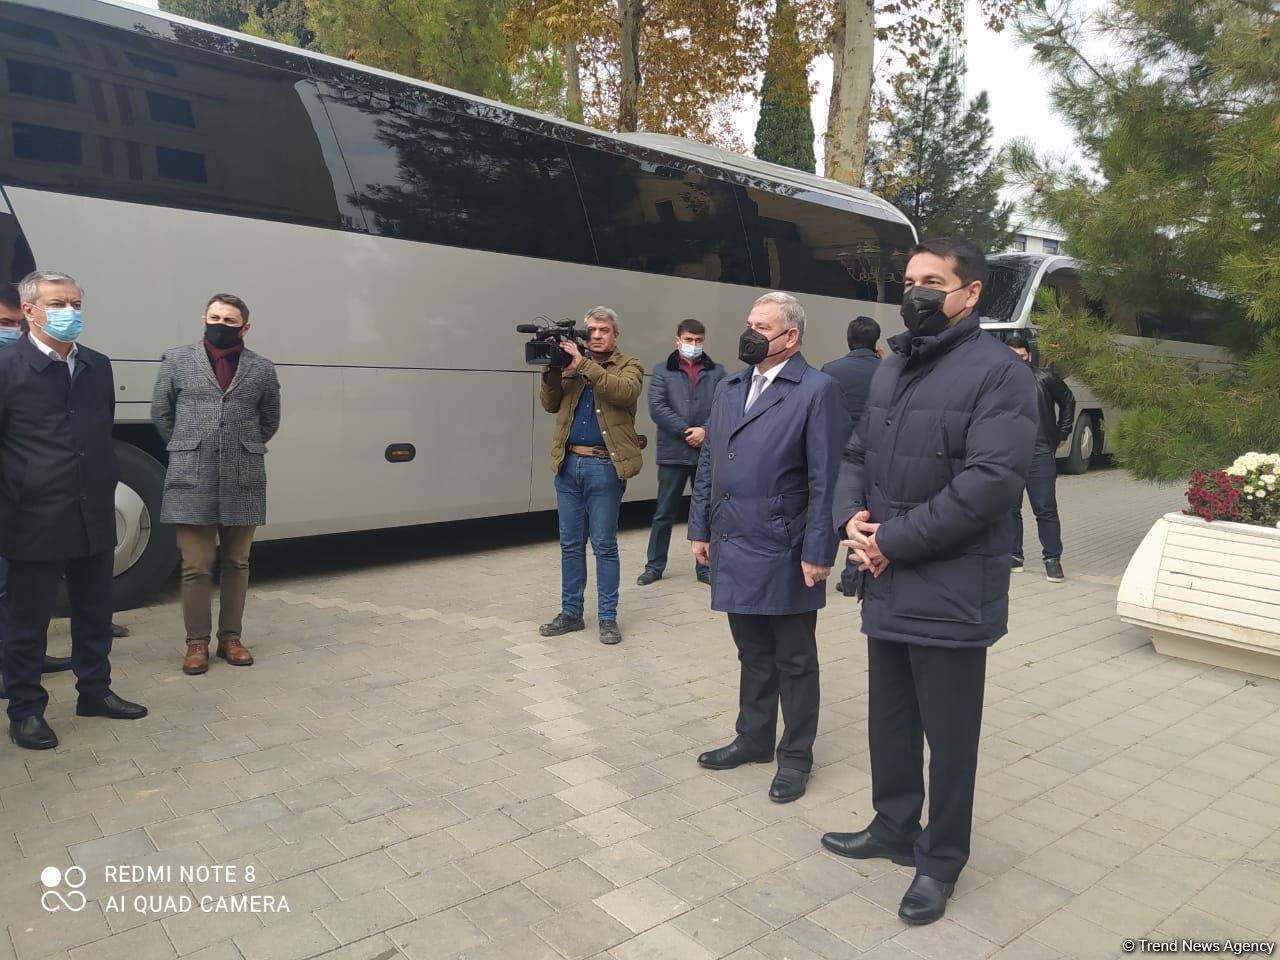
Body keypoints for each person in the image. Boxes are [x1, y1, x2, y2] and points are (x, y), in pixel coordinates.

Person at [826, 238, 1037, 926]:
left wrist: (890, 540)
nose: (915, 292)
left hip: (950, 589)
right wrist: (850, 520)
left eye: (933, 282)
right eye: (909, 280)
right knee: (889, 720)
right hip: (884, 577)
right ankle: (893, 826)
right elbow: (856, 451)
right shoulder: (894, 364)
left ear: (970, 294)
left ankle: (940, 860)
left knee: (949, 740)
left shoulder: (1001, 375)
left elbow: (989, 484)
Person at [689, 292, 846, 804]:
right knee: (752, 650)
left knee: (794, 659)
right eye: (749, 324)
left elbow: (827, 478)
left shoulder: (817, 390)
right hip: (732, 538)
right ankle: (753, 738)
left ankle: (795, 756)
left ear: (790, 336)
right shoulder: (730, 387)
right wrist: (699, 527)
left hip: (785, 546)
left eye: (762, 326)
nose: (750, 333)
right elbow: (710, 461)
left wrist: (819, 549)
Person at [0, 271, 148, 750]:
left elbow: (101, 428)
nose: (70, 313)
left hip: (93, 510)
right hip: (33, 518)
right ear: (29, 311)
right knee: (28, 621)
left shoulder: (96, 365)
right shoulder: (7, 365)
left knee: (95, 610)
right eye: (58, 304)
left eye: (76, 304)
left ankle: (95, 691)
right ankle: (25, 710)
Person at [151, 294, 281, 676]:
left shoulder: (262, 368)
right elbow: (162, 413)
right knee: (196, 566)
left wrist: (240, 445)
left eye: (229, 320)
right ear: (204, 318)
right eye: (215, 317)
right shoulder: (177, 360)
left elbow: (270, 419)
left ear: (245, 327)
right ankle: (196, 643)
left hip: (243, 476)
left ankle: (231, 638)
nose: (220, 325)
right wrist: (189, 445)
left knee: (237, 562)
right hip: (192, 476)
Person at [537, 307, 644, 646]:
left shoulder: (629, 366)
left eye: (604, 330)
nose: (596, 336)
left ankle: (607, 617)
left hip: (604, 467)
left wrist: (582, 364)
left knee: (604, 545)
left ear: (615, 335)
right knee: (570, 546)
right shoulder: (571, 365)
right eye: (591, 330)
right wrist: (553, 368)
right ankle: (571, 613)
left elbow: (623, 393)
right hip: (568, 465)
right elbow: (549, 404)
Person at [638, 319, 725, 587]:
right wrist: (688, 431)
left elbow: (724, 405)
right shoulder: (661, 371)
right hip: (673, 453)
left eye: (698, 340)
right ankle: (654, 566)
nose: (693, 345)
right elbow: (657, 408)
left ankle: (705, 567)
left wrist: (705, 431)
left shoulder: (717, 372)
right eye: (689, 340)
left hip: (706, 453)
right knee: (664, 512)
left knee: (707, 511)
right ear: (678, 340)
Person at [1007, 334, 1074, 582]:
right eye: (1012, 356)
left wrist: (1063, 432)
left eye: (1022, 356)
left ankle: (1052, 559)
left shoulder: (1045, 378)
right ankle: (1014, 556)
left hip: (1039, 453)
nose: (1017, 361)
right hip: (1008, 456)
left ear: (1029, 356)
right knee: (1009, 509)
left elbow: (1068, 400)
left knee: (1045, 508)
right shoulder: (997, 381)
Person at [821, 315, 882, 426]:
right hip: (876, 435)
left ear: (848, 340)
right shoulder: (889, 373)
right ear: (876, 343)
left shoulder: (829, 370)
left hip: (838, 435)